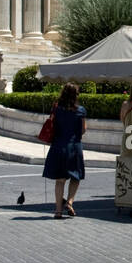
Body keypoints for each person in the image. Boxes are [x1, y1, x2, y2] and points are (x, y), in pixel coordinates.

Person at [42, 83, 87, 218]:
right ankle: (70, 202)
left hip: (58, 146)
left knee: (60, 180)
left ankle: (58, 211)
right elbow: (83, 130)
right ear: (76, 95)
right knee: (76, 177)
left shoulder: (57, 109)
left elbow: (53, 125)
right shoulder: (81, 110)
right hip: (74, 147)